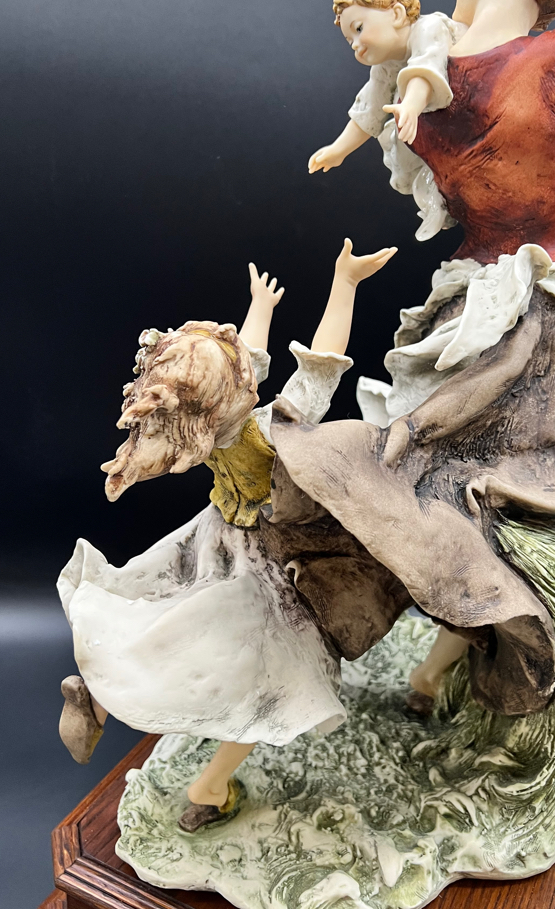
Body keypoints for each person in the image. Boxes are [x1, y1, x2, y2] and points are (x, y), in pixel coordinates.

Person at [274, 0, 555, 713]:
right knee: (433, 478)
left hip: (544, 312)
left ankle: (496, 639)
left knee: (465, 481)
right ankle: (406, 640)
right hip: (479, 302)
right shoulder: (455, 57)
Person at [57, 239, 396, 831]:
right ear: (236, 395)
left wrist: (260, 307)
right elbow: (322, 363)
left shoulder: (208, 430)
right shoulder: (268, 428)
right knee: (272, 681)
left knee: (161, 617)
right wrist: (344, 284)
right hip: (263, 561)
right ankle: (209, 786)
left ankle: (101, 693)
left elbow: (247, 363)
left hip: (211, 537)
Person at [308, 0, 463, 240]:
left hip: (467, 110)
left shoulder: (429, 28)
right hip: (441, 131)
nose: (355, 45)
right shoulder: (385, 66)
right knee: (401, 146)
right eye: (349, 41)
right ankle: (438, 199)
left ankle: (442, 198)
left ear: (397, 13)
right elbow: (369, 110)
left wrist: (411, 105)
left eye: (358, 29)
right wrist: (338, 150)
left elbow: (426, 70)